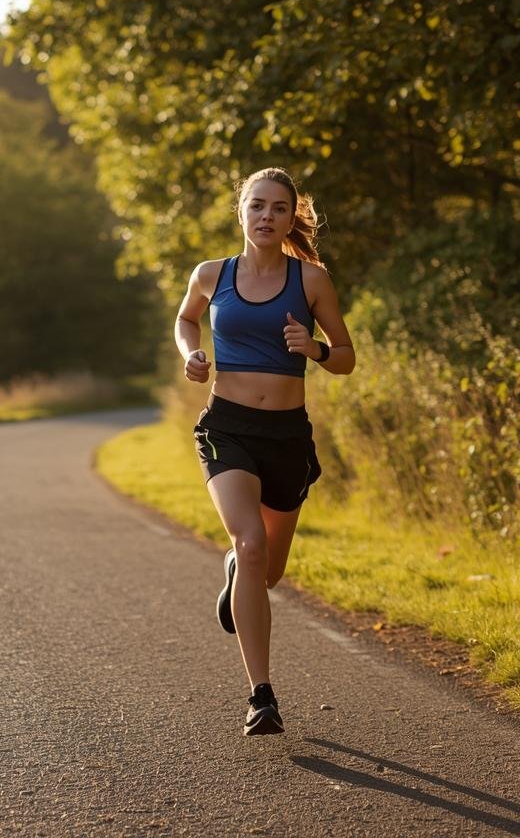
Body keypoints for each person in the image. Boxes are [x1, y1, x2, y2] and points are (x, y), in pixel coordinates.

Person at [173, 166, 355, 736]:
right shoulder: (211, 274)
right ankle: (261, 695)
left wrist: (317, 350)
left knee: (267, 570)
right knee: (249, 542)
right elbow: (185, 318)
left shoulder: (312, 281)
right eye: (257, 206)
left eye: (278, 208)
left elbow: (347, 356)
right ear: (242, 213)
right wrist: (193, 352)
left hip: (286, 437)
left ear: (289, 216)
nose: (266, 217)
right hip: (227, 428)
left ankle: (237, 570)